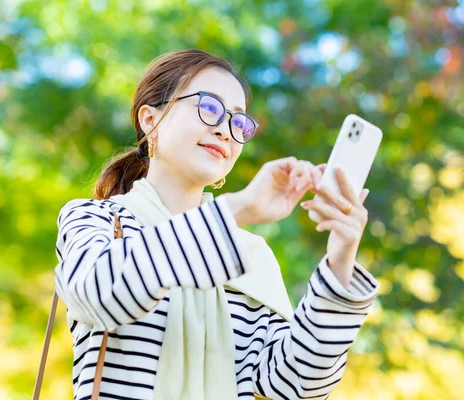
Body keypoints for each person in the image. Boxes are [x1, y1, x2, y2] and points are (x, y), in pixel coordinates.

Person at [54, 48, 379, 400]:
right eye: (210, 108)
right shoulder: (97, 219)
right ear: (150, 120)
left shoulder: (251, 256)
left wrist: (341, 258)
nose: (226, 130)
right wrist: (239, 209)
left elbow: (293, 385)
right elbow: (99, 294)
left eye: (239, 122)